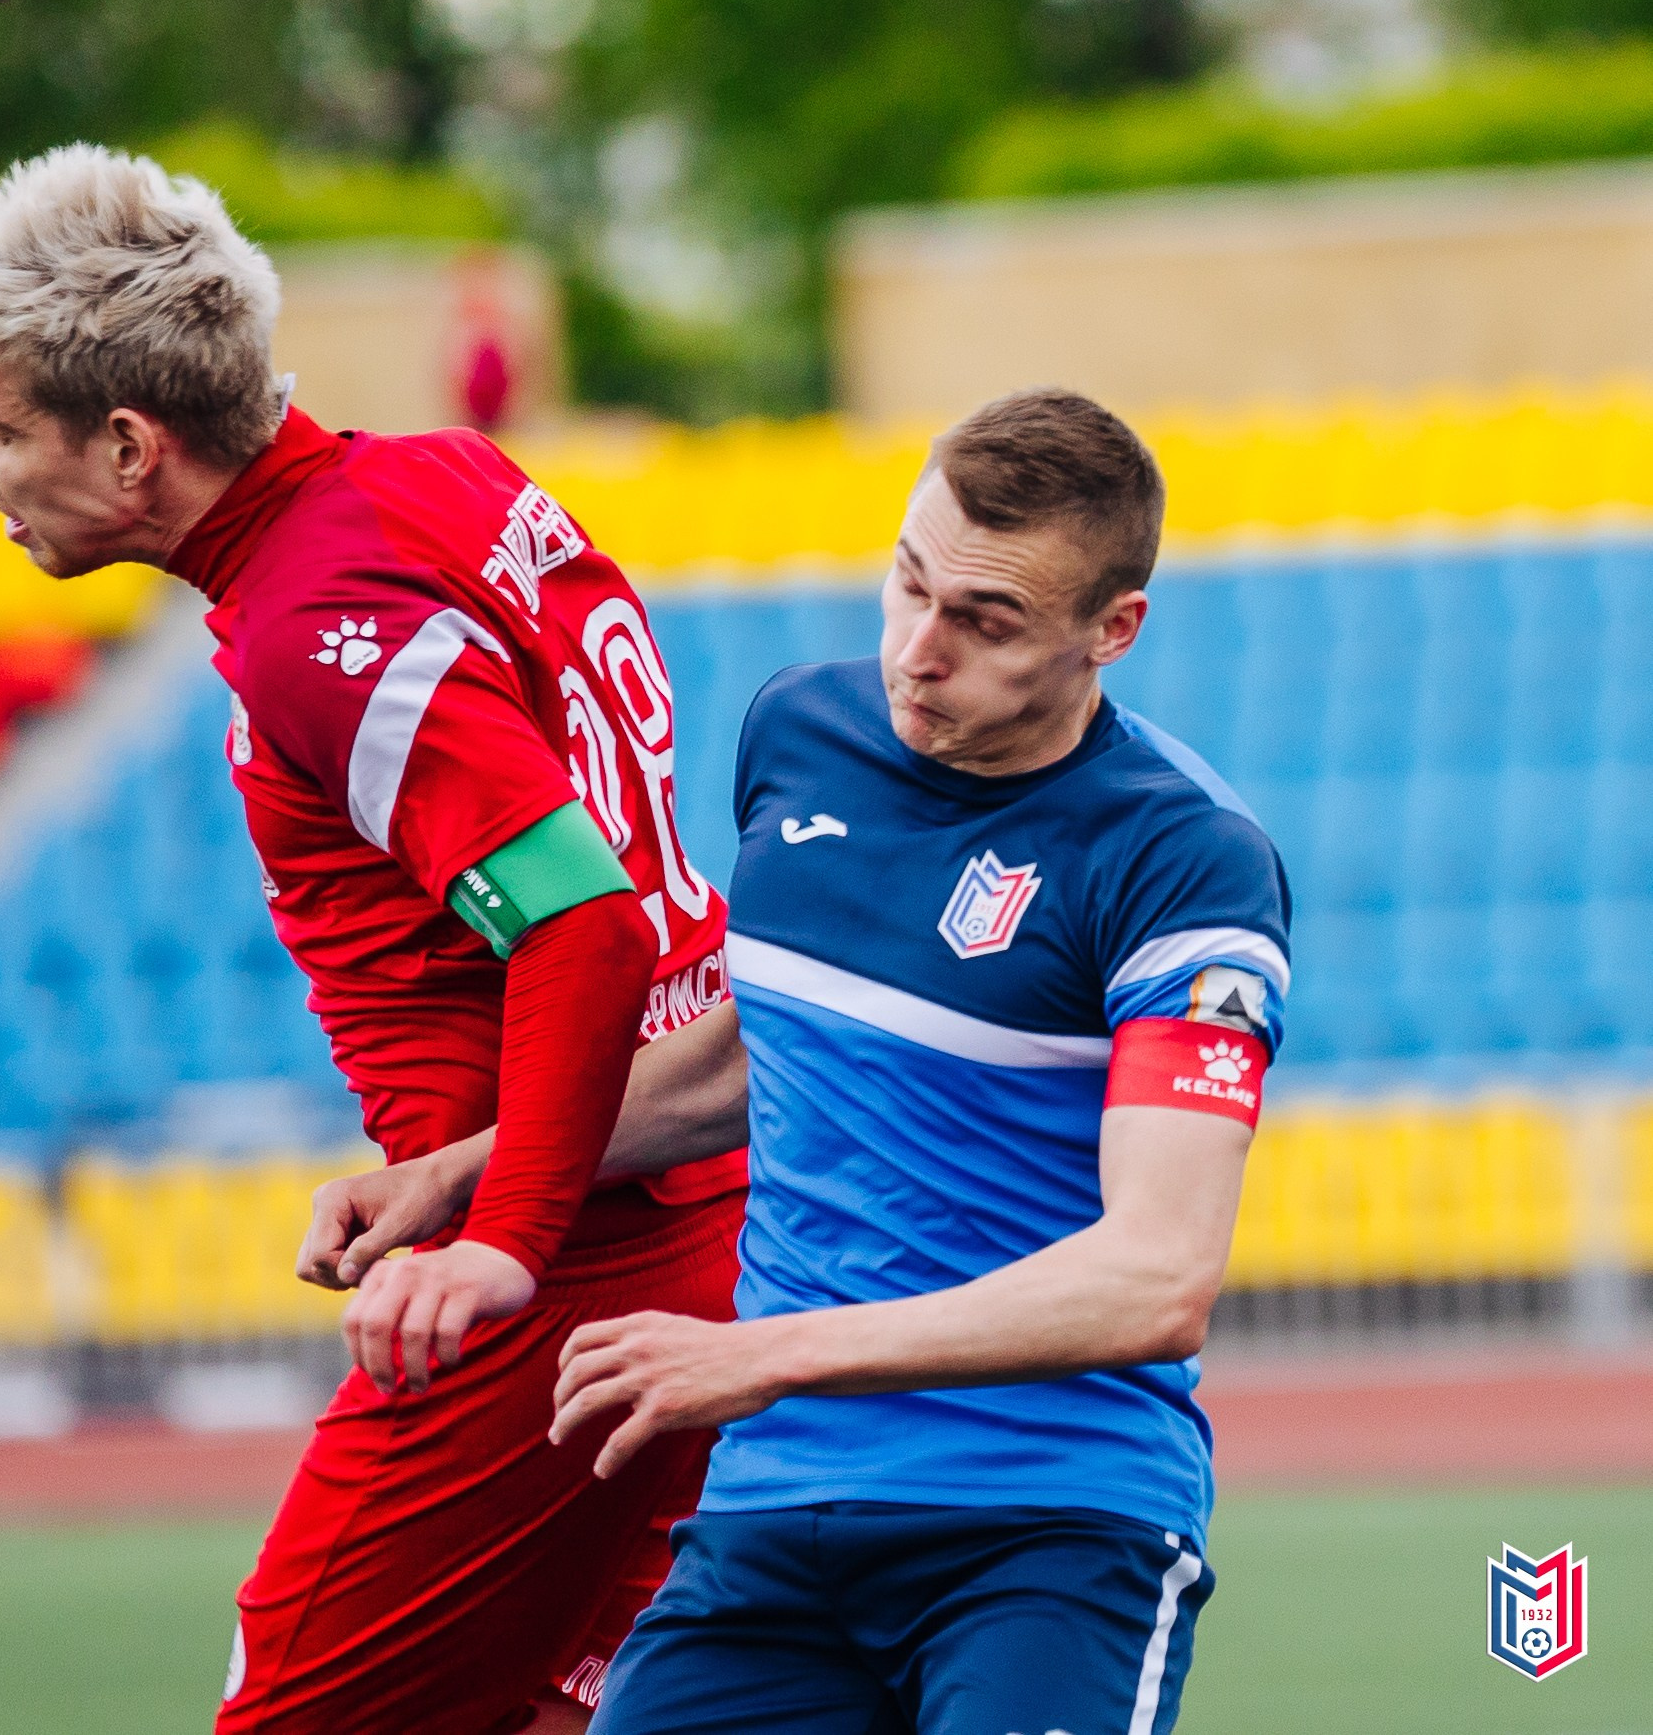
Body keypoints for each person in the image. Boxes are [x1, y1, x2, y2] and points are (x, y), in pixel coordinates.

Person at [0, 143, 748, 1735]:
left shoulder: (319, 621)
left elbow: (578, 924)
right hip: (681, 1212)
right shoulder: (443, 475)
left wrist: (500, 1239)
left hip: (560, 1285)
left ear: (126, 445)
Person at [347, 390, 1290, 1735]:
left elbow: (1158, 1278)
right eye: (909, 583)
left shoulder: (1183, 858)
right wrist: (459, 1177)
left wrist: (764, 1356)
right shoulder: (801, 733)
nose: (919, 649)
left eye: (988, 620)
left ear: (1111, 632)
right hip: (775, 1514)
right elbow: (750, 1058)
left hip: (1049, 1526)